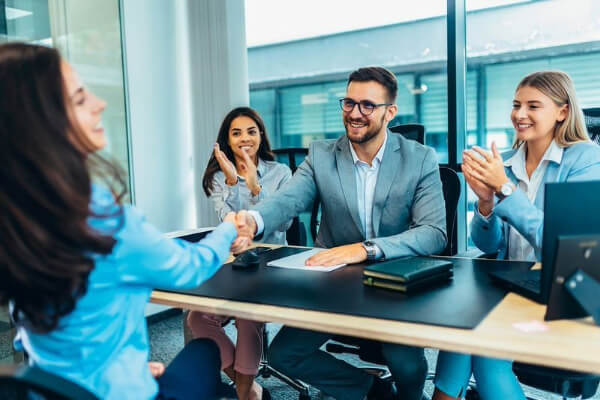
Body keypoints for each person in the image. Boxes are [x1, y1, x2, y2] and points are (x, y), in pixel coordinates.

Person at [0, 42, 247, 400]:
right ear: (45, 123)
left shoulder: (16, 217)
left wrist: (121, 367)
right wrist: (227, 231)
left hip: (51, 392)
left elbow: (31, 331)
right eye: (81, 98)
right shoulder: (104, 220)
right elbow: (190, 268)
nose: (99, 104)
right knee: (205, 350)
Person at [236, 66, 447, 400]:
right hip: (334, 282)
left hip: (394, 281)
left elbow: (433, 232)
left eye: (367, 105)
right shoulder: (321, 155)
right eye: (349, 103)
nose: (355, 114)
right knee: (284, 354)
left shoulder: (420, 158)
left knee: (406, 365)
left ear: (390, 112)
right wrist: (252, 220)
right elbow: (288, 199)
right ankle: (373, 391)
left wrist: (366, 249)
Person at [433, 70, 600, 400]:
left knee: (485, 350)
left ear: (563, 112)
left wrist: (505, 190)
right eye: (516, 105)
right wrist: (484, 203)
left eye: (533, 106)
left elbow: (558, 243)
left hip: (568, 292)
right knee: (457, 334)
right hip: (512, 287)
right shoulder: (506, 163)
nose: (520, 115)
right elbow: (488, 245)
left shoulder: (587, 160)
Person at [187, 107, 292, 400]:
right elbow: (229, 226)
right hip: (233, 266)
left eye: (251, 131)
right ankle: (250, 389)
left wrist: (256, 188)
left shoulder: (281, 173)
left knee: (247, 317)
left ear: (261, 135)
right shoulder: (220, 177)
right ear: (227, 141)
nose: (244, 138)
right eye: (236, 133)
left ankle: (245, 394)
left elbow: (284, 222)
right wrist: (234, 184)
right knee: (197, 318)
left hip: (271, 266)